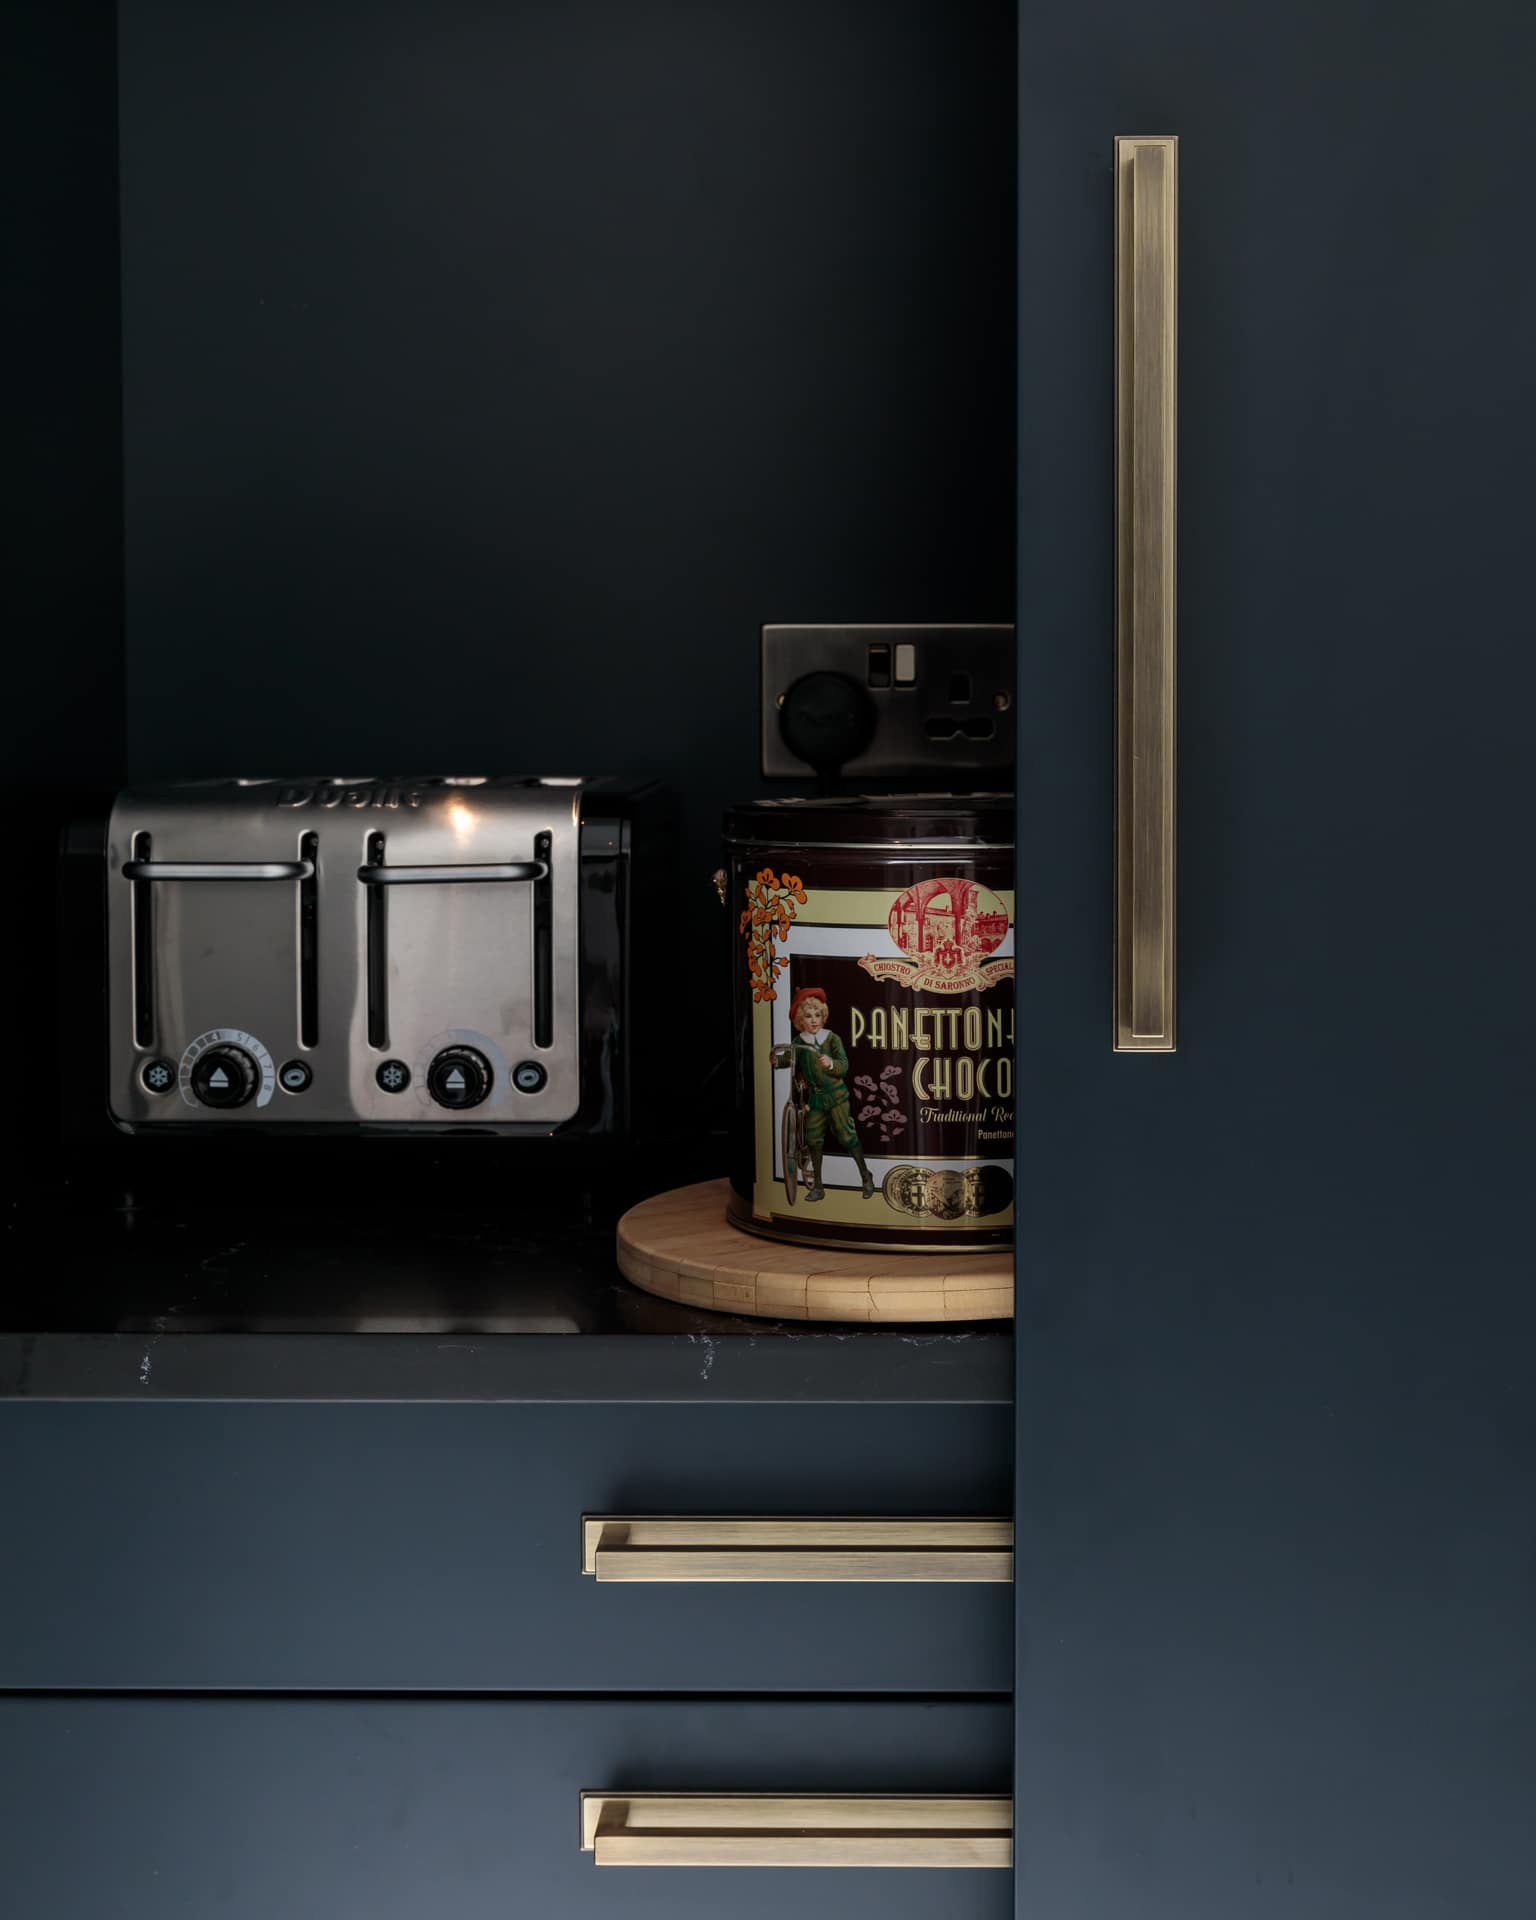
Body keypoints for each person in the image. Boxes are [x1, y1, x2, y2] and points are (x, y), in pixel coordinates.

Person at [770, 984, 876, 1202]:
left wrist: (831, 1063)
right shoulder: (799, 1043)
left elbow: (844, 1065)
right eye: (808, 1016)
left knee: (846, 1135)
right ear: (801, 1020)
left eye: (817, 1015)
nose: (813, 1020)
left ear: (823, 1016)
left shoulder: (831, 1039)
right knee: (812, 1138)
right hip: (817, 1099)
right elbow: (789, 1060)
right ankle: (818, 1186)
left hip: (836, 1096)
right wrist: (776, 1060)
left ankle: (866, 1177)